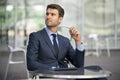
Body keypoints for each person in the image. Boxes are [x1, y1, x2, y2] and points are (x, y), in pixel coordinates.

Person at [27, 3, 85, 71]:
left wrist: (78, 41)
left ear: (60, 19)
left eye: (52, 14)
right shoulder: (35, 37)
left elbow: (78, 64)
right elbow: (31, 64)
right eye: (47, 14)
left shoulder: (65, 41)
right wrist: (53, 70)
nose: (48, 17)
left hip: (64, 75)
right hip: (45, 75)